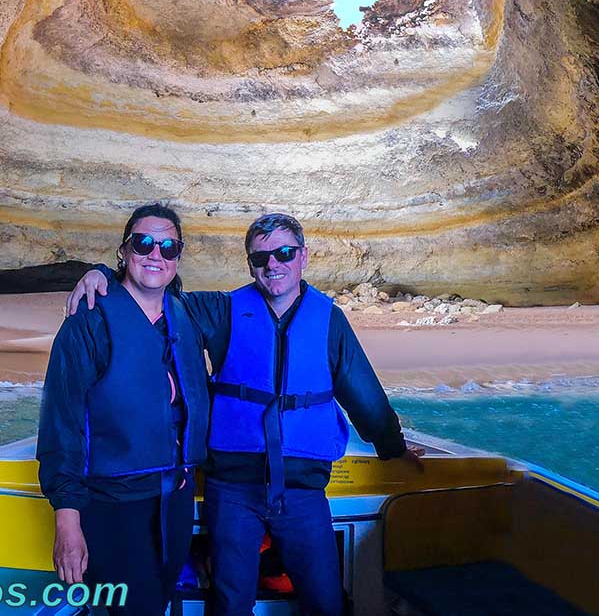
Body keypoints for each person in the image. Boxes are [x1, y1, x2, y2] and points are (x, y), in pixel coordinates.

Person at [67, 212, 423, 616]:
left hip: (302, 492)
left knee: (326, 602)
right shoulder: (221, 311)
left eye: (284, 253)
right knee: (230, 603)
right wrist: (101, 275)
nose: (273, 264)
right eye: (261, 258)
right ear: (250, 264)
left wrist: (392, 446)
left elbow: (364, 393)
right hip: (233, 491)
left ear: (303, 256)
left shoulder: (328, 320)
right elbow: (152, 289)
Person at [36, 203, 210, 615]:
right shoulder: (90, 319)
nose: (156, 254)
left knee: (158, 601)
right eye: (143, 242)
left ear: (178, 258)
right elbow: (62, 421)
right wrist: (67, 519)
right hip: (114, 505)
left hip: (174, 503)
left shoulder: (187, 315)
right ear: (124, 250)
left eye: (169, 247)